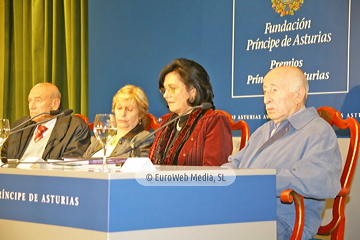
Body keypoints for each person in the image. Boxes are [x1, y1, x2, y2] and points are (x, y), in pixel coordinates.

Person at [223, 66, 342, 240]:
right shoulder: (264, 130)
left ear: (298, 95)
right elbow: (236, 162)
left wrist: (256, 180)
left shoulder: (318, 131)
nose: (266, 99)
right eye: (264, 91)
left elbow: (318, 180)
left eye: (274, 90)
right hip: (246, 211)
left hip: (284, 220)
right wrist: (220, 176)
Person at [148, 58, 233, 166]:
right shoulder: (166, 123)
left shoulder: (214, 122)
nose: (165, 95)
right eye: (165, 89)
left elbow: (214, 174)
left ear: (193, 91)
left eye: (172, 88)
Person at [1, 83, 91, 160]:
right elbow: (3, 155)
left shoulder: (75, 127)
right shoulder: (20, 125)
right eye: (29, 101)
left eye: (38, 100)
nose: (31, 106)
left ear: (55, 104)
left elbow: (70, 162)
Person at [83, 85, 154, 158]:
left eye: (129, 109)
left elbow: (137, 167)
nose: (122, 114)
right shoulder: (104, 137)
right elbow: (83, 161)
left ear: (141, 113)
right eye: (119, 108)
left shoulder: (144, 138)